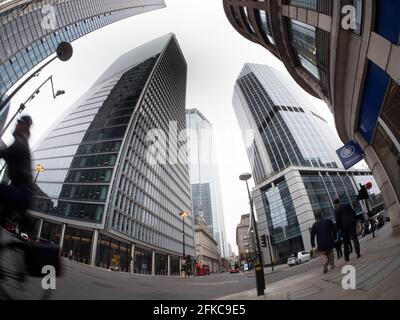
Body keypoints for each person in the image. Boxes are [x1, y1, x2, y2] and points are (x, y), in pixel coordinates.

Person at [0, 116, 34, 234]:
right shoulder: (20, 141)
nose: (16, 125)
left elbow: (4, 153)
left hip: (22, 194)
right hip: (22, 193)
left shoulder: (20, 143)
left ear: (24, 127)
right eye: (17, 123)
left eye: (19, 123)